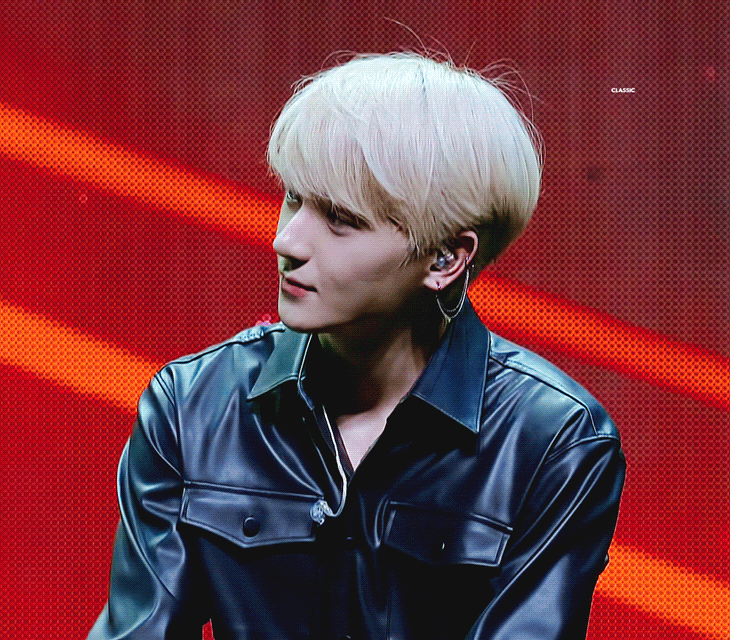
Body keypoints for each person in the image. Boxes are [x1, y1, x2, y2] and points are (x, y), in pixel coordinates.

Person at [88, 52, 625, 640]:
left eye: (340, 218)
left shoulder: (552, 442)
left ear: (445, 258)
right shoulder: (190, 405)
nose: (286, 240)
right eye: (294, 198)